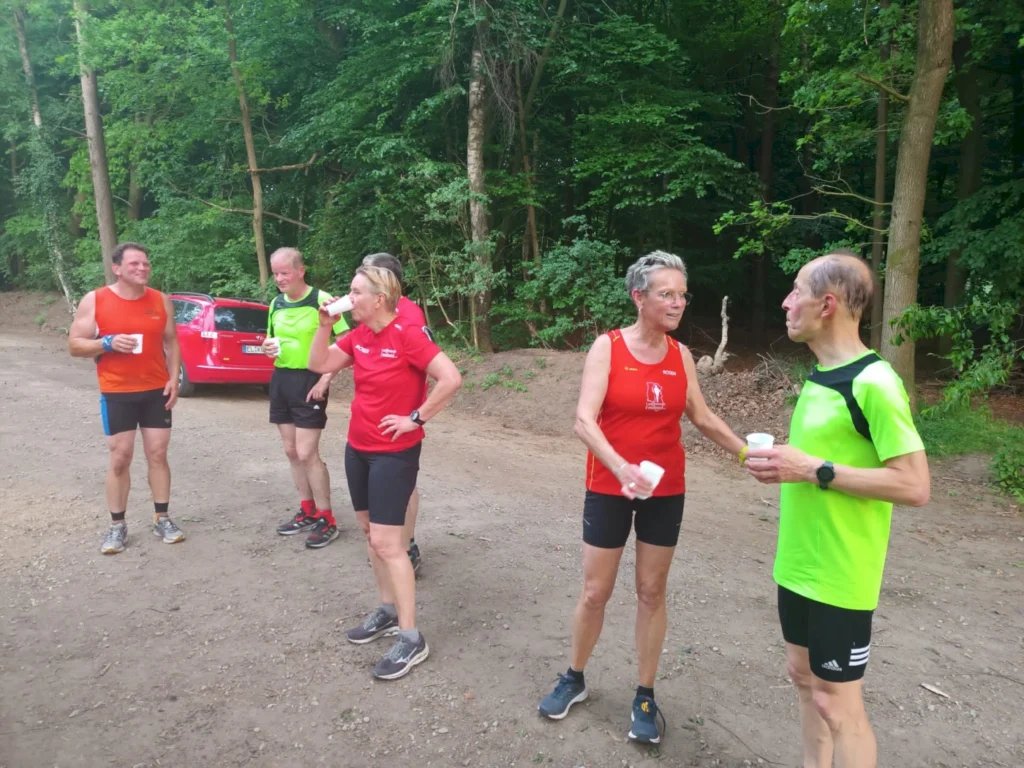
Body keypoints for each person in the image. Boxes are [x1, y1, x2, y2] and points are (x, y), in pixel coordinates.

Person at [537, 251, 747, 744]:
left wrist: (748, 456)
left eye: (682, 294)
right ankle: (574, 677)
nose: (677, 302)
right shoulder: (608, 348)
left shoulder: (680, 356)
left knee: (652, 592)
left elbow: (702, 416)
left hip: (665, 489)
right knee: (596, 591)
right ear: (639, 297)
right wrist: (621, 468)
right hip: (609, 486)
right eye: (666, 293)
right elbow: (584, 422)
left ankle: (645, 694)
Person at [746, 250, 930, 768]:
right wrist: (788, 465)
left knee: (838, 704)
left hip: (843, 576)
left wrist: (813, 470)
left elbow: (915, 485)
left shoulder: (874, 383)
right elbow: (826, 461)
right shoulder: (821, 376)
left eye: (796, 291)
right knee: (805, 684)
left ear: (826, 304)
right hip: (797, 567)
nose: (786, 302)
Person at [307, 266, 461, 680]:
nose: (348, 297)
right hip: (358, 449)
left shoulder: (408, 334)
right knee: (369, 535)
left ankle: (411, 639)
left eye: (355, 292)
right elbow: (318, 362)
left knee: (390, 544)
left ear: (379, 298)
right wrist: (324, 325)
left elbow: (450, 378)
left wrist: (417, 417)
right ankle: (388, 611)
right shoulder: (359, 336)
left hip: (394, 454)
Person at [68, 242, 185, 553]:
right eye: (134, 264)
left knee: (158, 455)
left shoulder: (161, 300)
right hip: (116, 391)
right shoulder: (95, 300)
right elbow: (75, 344)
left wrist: (174, 379)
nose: (142, 268)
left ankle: (162, 518)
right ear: (117, 268)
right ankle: (117, 525)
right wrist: (106, 343)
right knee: (120, 459)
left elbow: (172, 342)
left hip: (155, 390)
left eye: (145, 263)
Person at [264, 247, 349, 549]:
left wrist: (326, 379)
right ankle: (307, 509)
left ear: (301, 270)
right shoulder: (275, 303)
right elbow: (270, 339)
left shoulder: (322, 300)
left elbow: (346, 343)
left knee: (306, 452)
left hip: (310, 381)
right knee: (290, 451)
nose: (280, 279)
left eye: (285, 272)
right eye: (275, 273)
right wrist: (266, 347)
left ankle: (327, 517)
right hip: (281, 380)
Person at [361, 252, 428, 573]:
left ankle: (407, 545)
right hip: (373, 422)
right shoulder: (371, 312)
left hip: (401, 422)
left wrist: (413, 416)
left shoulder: (411, 315)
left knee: (406, 485)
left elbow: (431, 368)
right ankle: (390, 543)